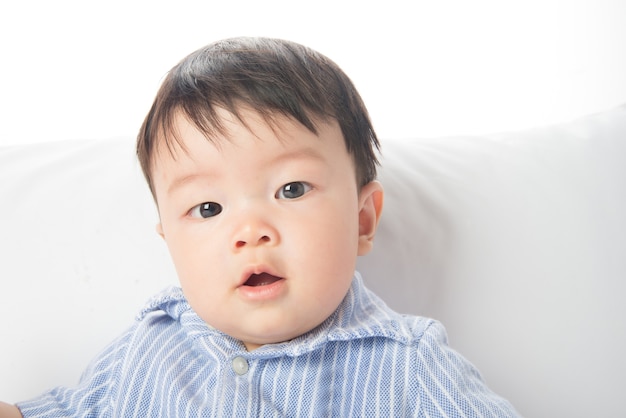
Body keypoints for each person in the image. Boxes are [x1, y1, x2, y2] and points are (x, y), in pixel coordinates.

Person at [2, 37, 519, 417]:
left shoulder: (411, 366)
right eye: (207, 209)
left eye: (291, 190)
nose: (250, 230)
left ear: (362, 221)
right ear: (170, 242)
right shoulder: (151, 346)